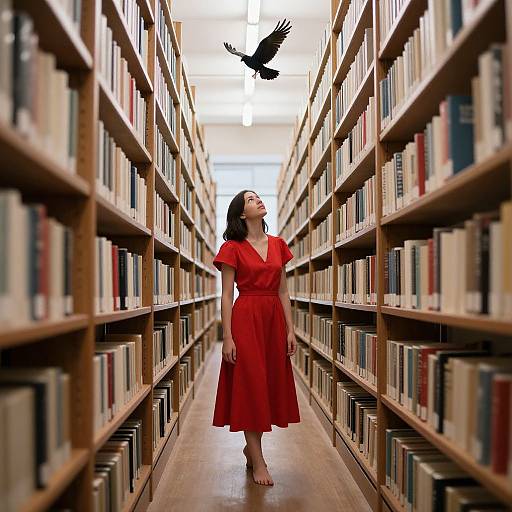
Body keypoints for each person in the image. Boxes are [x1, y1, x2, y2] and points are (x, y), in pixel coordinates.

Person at [212, 189, 301, 486]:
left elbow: (283, 290)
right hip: (246, 317)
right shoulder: (232, 248)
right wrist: (227, 336)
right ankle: (259, 459)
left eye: (258, 197)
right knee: (250, 385)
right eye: (250, 200)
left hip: (273, 319)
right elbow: (226, 295)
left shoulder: (278, 245)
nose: (258, 200)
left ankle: (251, 449)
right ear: (240, 213)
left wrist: (290, 329)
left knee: (265, 385)